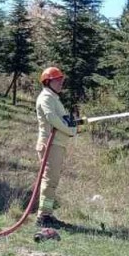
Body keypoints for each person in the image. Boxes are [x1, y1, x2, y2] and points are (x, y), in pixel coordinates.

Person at [34, 67, 78, 228]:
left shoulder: (54, 98)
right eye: (57, 80)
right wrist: (70, 130)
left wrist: (72, 124)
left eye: (61, 80)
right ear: (47, 81)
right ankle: (43, 217)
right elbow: (52, 118)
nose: (61, 83)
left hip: (57, 145)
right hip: (50, 145)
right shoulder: (45, 97)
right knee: (49, 180)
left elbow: (61, 119)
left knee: (52, 181)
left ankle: (47, 214)